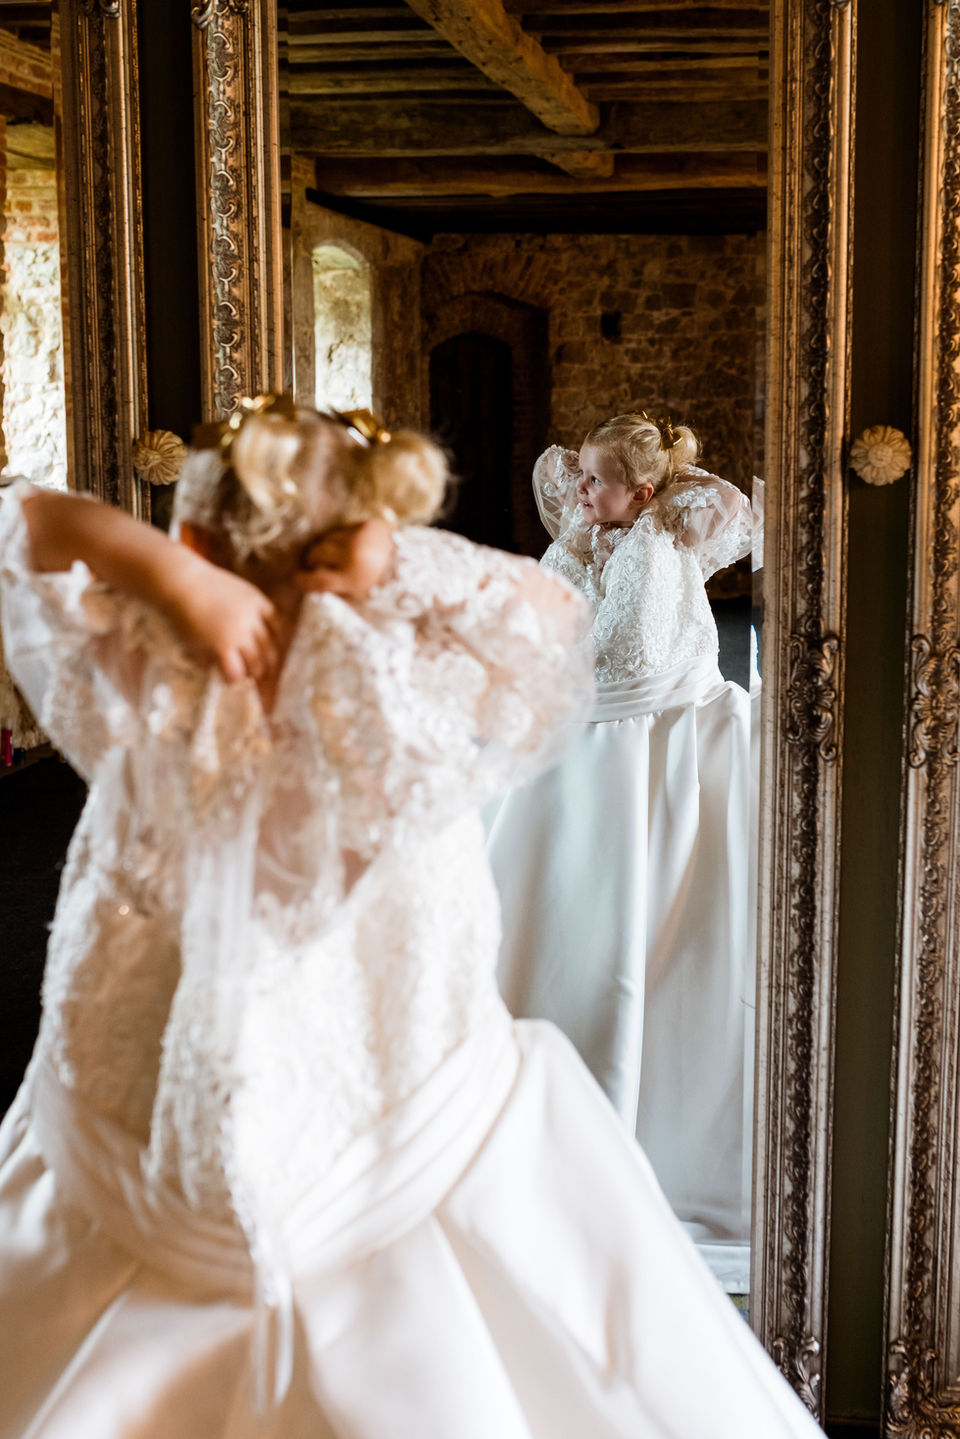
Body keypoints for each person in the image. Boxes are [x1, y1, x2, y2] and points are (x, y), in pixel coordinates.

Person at [0, 395, 818, 1438]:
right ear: (376, 529)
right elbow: (543, 615)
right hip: (237, 1130)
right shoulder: (377, 668)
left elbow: (17, 519)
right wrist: (383, 567)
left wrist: (171, 574)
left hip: (324, 1124)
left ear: (195, 536)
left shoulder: (157, 655)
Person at [488, 413, 758, 1287]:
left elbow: (622, 653)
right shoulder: (588, 534)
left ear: (640, 493)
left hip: (638, 735)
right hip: (586, 719)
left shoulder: (653, 546)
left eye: (596, 483)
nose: (580, 493)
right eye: (579, 479)